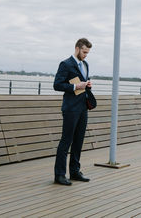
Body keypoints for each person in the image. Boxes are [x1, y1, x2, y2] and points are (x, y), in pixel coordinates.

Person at [53, 38, 93, 186]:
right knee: (66, 141)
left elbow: (82, 83)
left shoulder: (85, 64)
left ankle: (75, 171)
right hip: (70, 108)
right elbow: (57, 85)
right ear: (77, 48)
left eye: (87, 53)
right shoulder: (66, 64)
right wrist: (76, 87)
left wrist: (86, 85)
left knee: (78, 141)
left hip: (83, 108)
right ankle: (60, 175)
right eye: (84, 52)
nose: (85, 55)